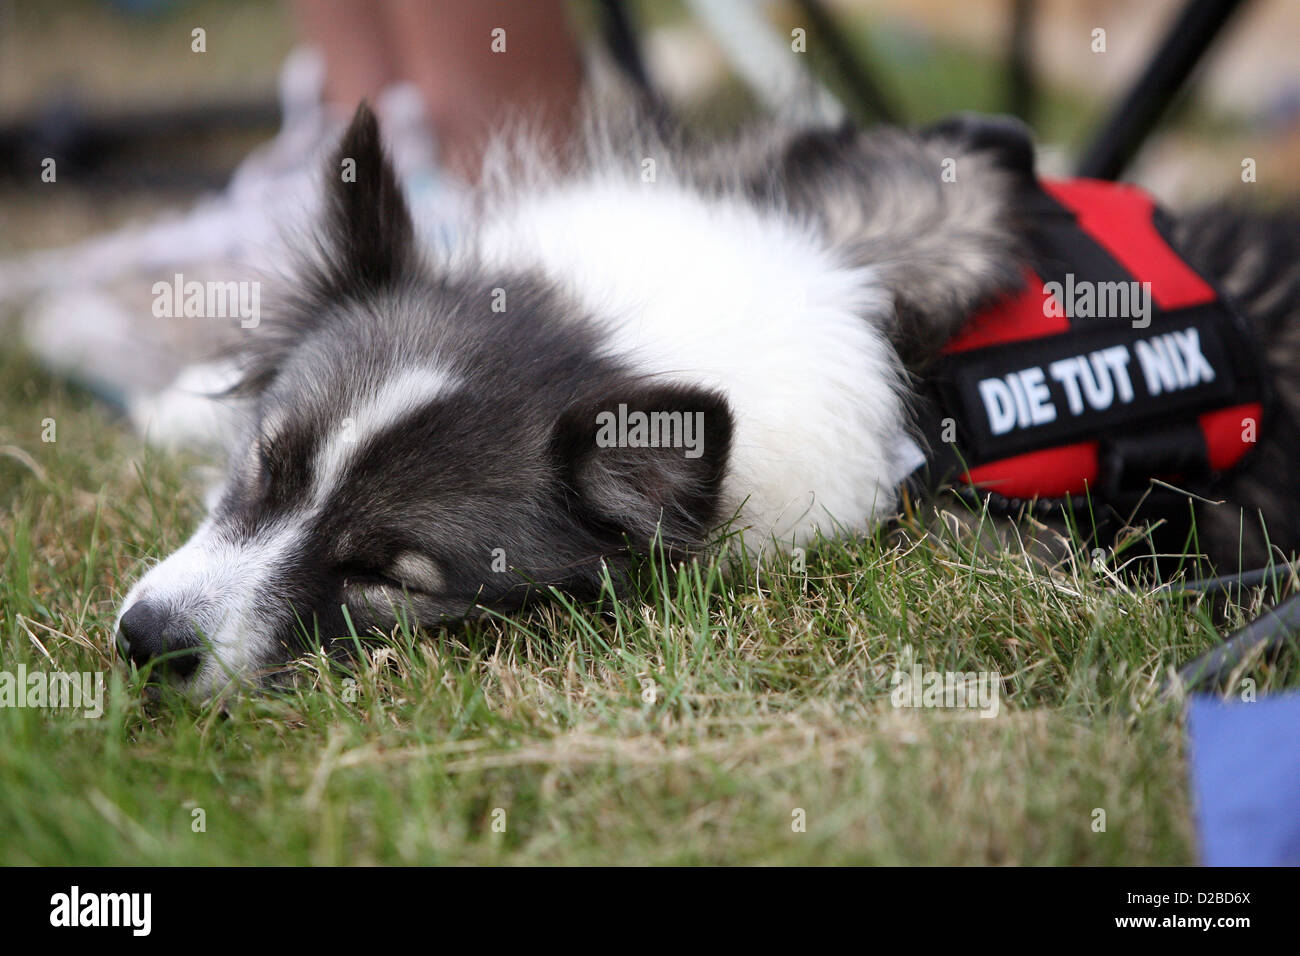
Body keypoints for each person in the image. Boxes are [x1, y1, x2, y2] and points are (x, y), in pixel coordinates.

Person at [0, 0, 585, 443]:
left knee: (486, 160)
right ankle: (364, 140)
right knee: (360, 117)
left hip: (517, 217)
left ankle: (470, 188)